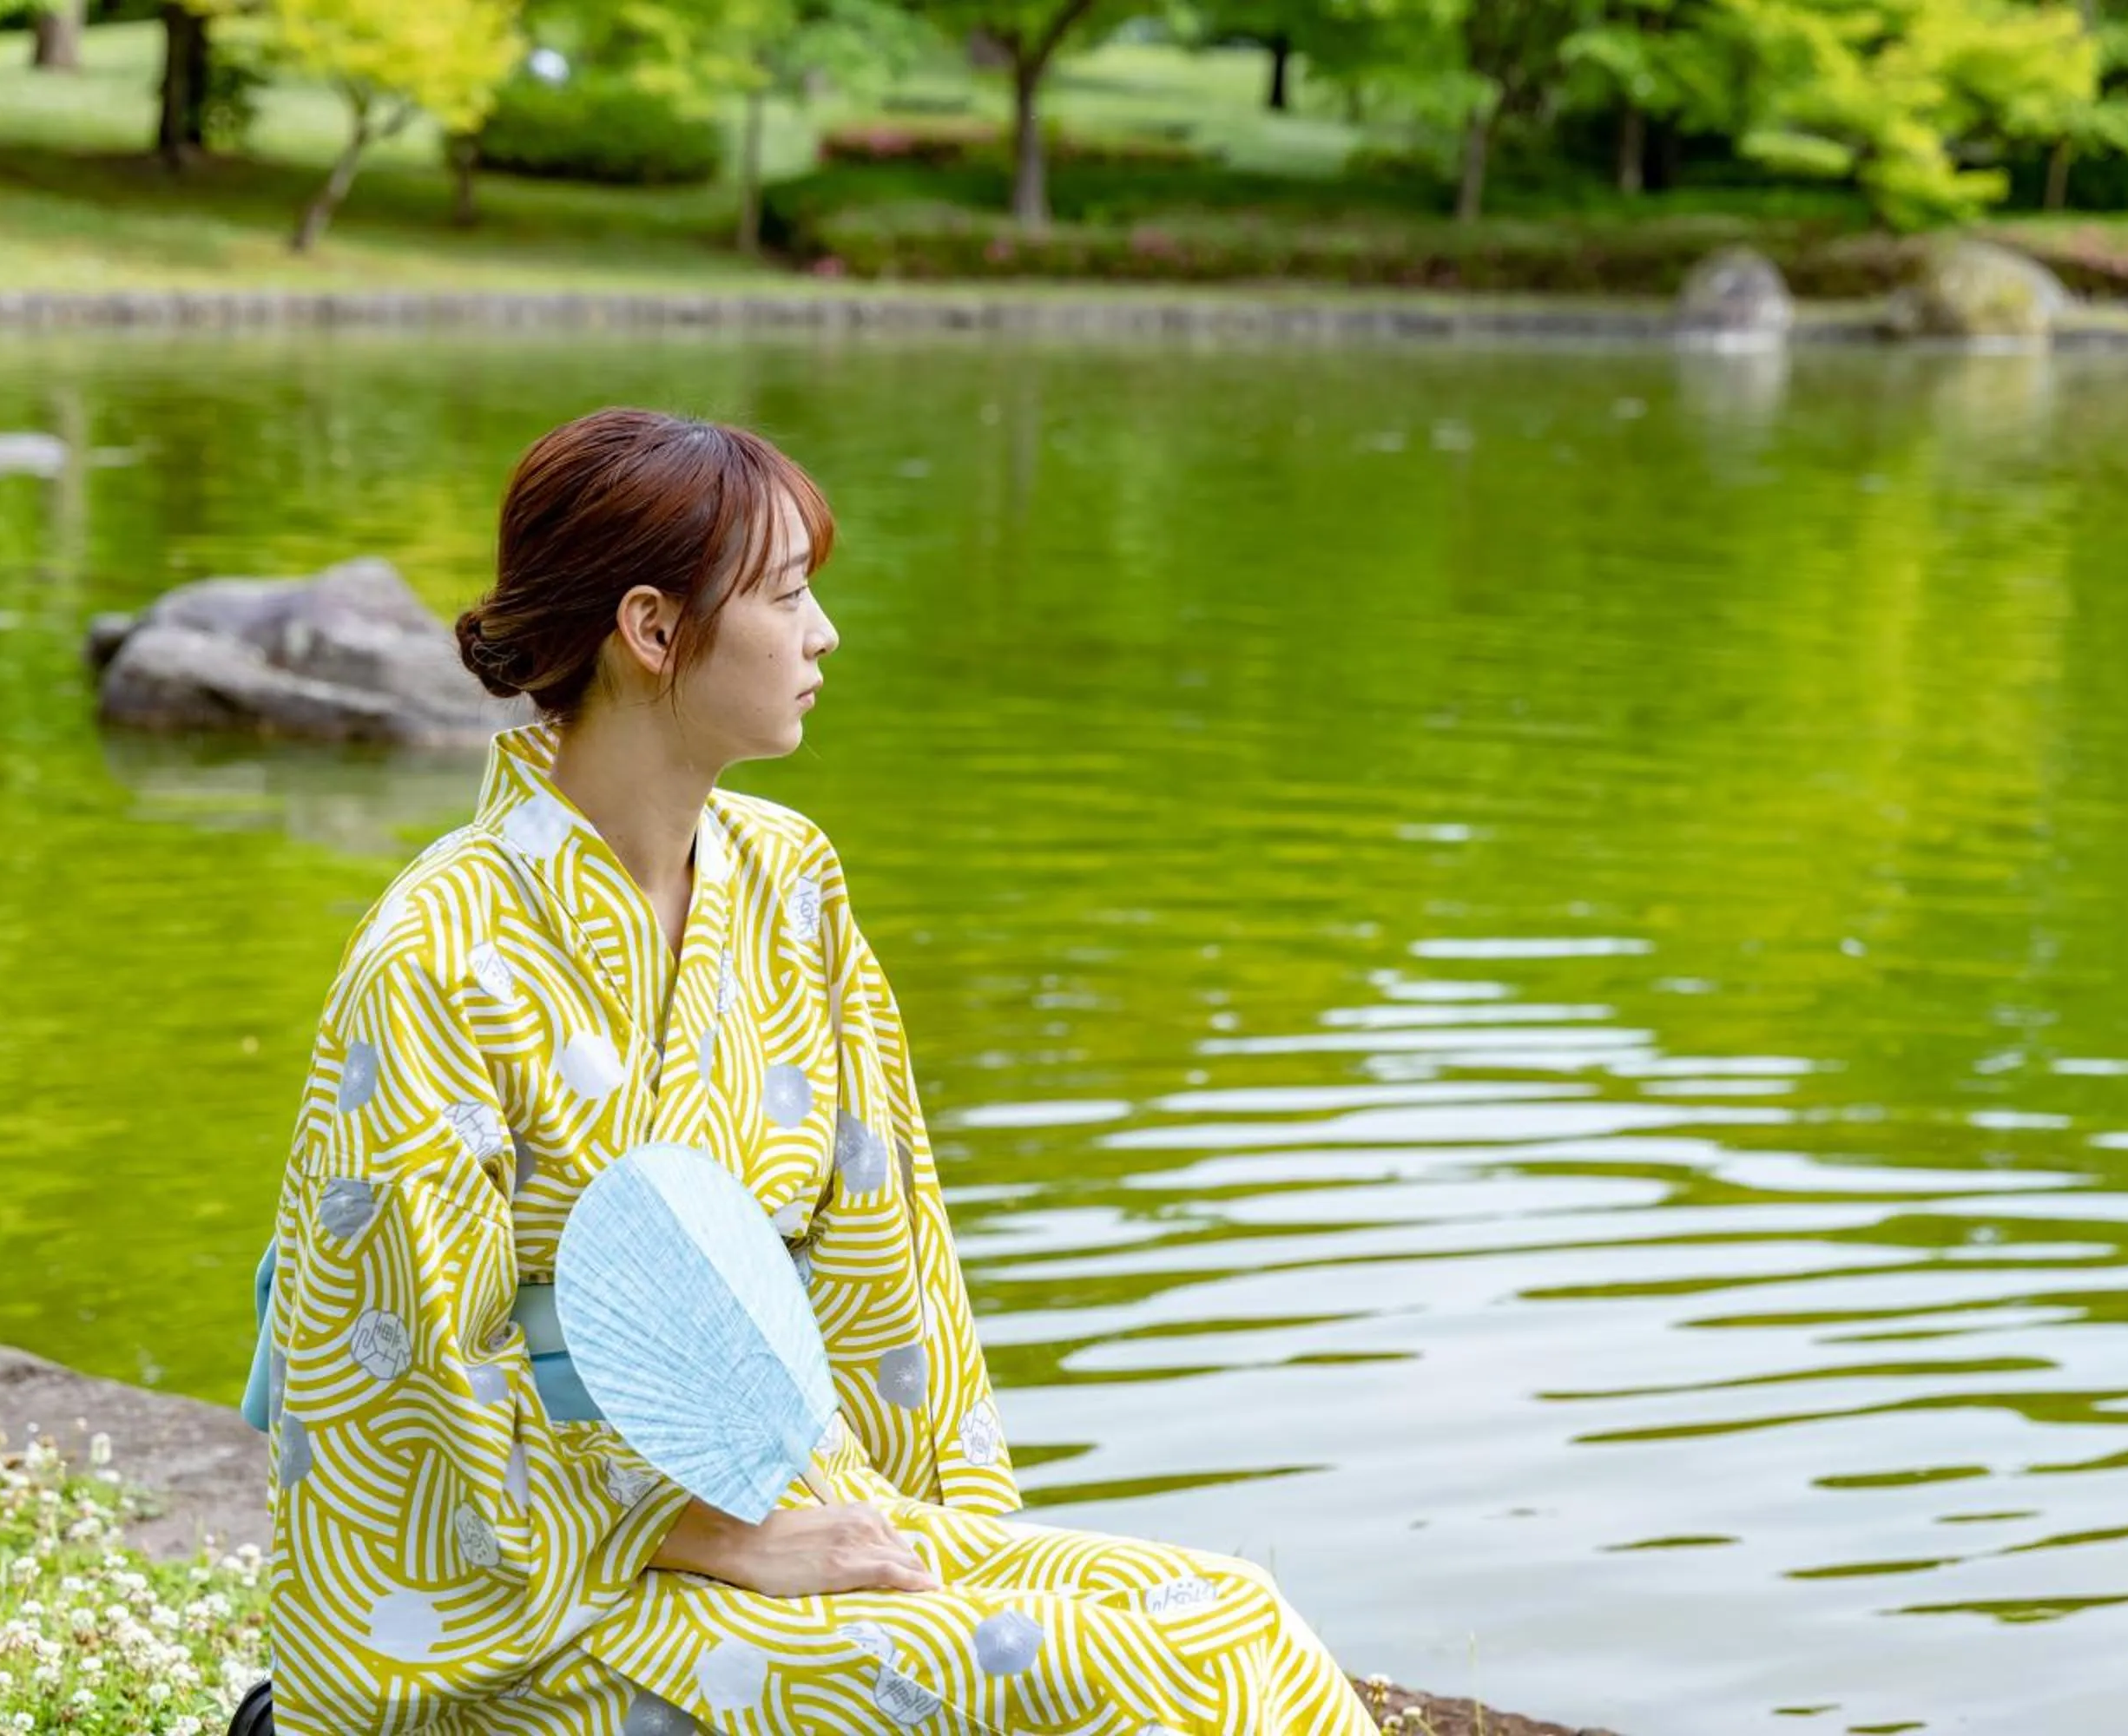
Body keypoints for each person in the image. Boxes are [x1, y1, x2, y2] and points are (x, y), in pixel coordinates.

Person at [255, 407, 1384, 1734]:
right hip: (529, 1595)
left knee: (1230, 1622)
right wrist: (698, 1529)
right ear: (654, 630)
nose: (824, 633)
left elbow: (886, 1271)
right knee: (1124, 1684)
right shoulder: (438, 955)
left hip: (792, 1495)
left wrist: (942, 1550)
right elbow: (394, 1380)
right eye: (788, 595)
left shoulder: (791, 884)